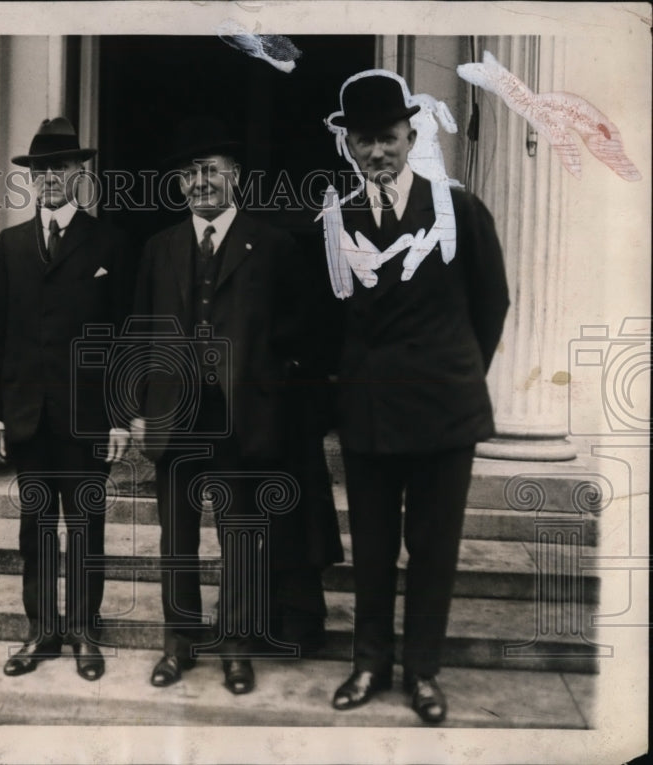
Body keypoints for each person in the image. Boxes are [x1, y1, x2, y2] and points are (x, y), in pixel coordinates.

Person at [321, 71, 509, 723]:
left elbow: (492, 302)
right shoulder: (336, 222)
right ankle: (369, 662)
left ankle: (423, 671)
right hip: (369, 418)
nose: (378, 152)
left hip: (443, 414)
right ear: (348, 147)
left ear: (410, 136)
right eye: (365, 141)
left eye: (389, 138)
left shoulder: (458, 208)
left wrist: (455, 375)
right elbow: (327, 322)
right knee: (372, 549)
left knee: (433, 550)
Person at [130, 117, 329, 695]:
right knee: (177, 538)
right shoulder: (159, 248)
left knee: (241, 534)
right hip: (175, 416)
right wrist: (140, 407)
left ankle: (236, 647)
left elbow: (298, 335)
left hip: (242, 418)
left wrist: (269, 389)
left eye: (211, 171)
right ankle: (179, 642)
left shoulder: (274, 245)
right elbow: (140, 333)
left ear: (235, 178)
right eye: (190, 174)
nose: (200, 183)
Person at [0, 117, 135, 681]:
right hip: (27, 414)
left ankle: (85, 632)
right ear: (31, 177)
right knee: (37, 527)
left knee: (87, 526)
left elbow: (125, 337)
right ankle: (43, 629)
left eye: (60, 167)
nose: (49, 177)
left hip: (89, 416)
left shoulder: (110, 242)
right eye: (40, 169)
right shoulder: (12, 243)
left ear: (79, 173)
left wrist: (121, 417)